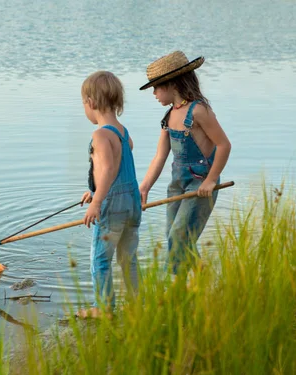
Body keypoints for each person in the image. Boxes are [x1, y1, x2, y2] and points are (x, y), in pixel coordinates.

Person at [138, 51, 231, 275]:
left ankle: (180, 290)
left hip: (200, 185)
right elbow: (160, 156)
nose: (154, 93)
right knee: (175, 235)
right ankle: (203, 283)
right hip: (178, 184)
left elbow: (224, 145)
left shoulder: (199, 111)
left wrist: (210, 181)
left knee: (179, 236)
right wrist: (144, 187)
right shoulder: (169, 116)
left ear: (172, 84)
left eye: (156, 87)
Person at [78, 71, 142, 318]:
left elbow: (105, 168)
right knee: (128, 258)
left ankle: (103, 309)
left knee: (100, 261)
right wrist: (93, 190)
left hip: (112, 206)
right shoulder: (123, 132)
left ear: (91, 103)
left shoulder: (100, 135)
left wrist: (97, 201)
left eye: (83, 103)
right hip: (132, 203)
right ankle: (136, 303)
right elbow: (116, 166)